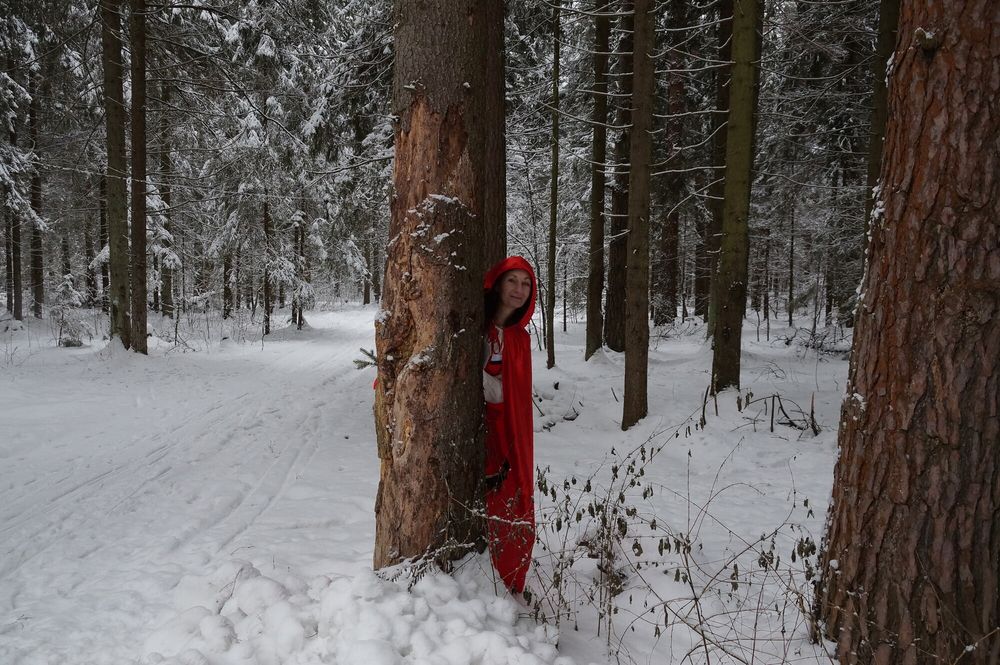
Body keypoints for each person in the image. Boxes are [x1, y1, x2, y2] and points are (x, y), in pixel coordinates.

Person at [482, 256, 536, 594]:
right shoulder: (477, 326)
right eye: (512, 281)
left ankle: (506, 576)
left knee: (509, 495)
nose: (519, 290)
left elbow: (514, 396)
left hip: (504, 431)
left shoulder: (519, 340)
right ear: (498, 284)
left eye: (526, 283)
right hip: (477, 427)